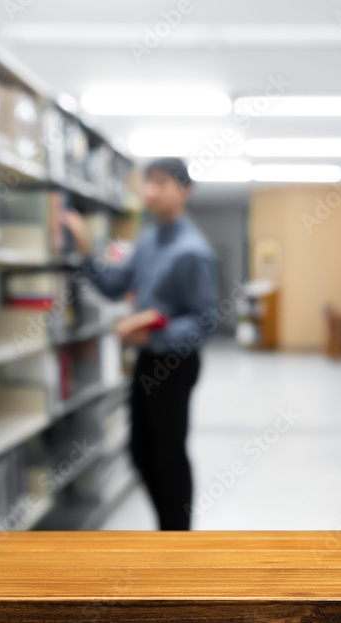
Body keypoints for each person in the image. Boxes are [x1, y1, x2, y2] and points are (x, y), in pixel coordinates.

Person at [62, 157, 219, 530]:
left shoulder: (193, 251)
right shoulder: (148, 240)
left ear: (185, 190)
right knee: (141, 451)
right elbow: (115, 285)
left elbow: (206, 321)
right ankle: (167, 526)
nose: (150, 191)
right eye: (147, 183)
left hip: (176, 362)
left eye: (161, 183)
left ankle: (176, 535)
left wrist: (154, 332)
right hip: (148, 358)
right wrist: (86, 253)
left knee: (168, 453)